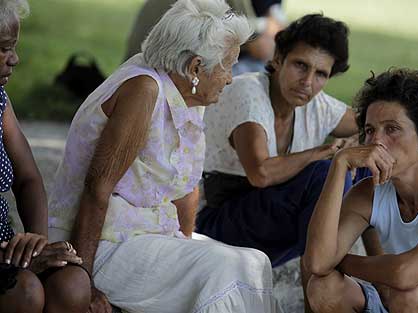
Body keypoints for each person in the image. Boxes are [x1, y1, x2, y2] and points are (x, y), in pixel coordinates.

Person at [48, 1, 283, 312]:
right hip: (102, 243)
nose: (230, 78)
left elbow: (185, 191)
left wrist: (182, 247)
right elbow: (97, 188)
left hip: (147, 234)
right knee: (221, 268)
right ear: (196, 67)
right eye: (227, 65)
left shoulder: (189, 93)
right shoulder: (144, 89)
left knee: (255, 262)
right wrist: (84, 281)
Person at [195, 13, 360, 311]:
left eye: (321, 74)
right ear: (279, 58)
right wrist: (325, 153)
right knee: (327, 172)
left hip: (264, 222)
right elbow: (260, 173)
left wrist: (358, 145)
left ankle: (380, 282)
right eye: (300, 65)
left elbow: (372, 124)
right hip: (216, 220)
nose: (307, 82)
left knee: (361, 171)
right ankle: (317, 295)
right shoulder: (248, 92)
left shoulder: (316, 104)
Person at [303, 68, 418, 313]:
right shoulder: (368, 194)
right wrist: (339, 165)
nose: (376, 141)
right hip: (398, 301)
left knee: (407, 293)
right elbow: (317, 262)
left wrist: (340, 261)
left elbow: (408, 274)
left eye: (391, 129)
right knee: (322, 287)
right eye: (370, 130)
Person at [0, 1, 90, 313]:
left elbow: (28, 178)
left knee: (73, 283)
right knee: (25, 292)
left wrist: (38, 244)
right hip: (4, 256)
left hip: (9, 251)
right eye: (3, 49)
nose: (15, 59)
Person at [124, 0, 286, 75]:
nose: (228, 79)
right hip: (162, 73)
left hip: (135, 66)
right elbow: (263, 49)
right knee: (267, 71)